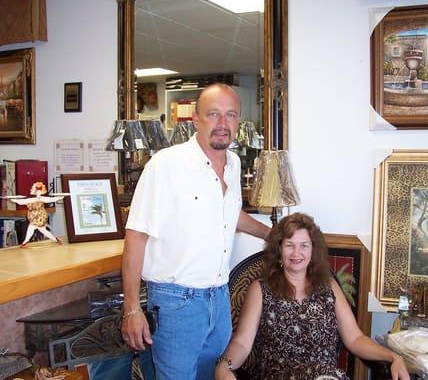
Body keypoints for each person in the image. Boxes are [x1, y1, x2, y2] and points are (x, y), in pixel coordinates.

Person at [121, 83, 270, 380]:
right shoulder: (166, 164)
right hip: (176, 304)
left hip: (219, 299)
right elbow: (136, 237)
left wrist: (273, 235)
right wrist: (132, 309)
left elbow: (229, 214)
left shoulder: (233, 163)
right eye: (213, 114)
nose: (223, 123)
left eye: (231, 115)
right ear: (195, 120)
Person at [214, 213, 410, 380]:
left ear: (313, 249)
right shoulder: (260, 289)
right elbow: (241, 343)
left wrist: (393, 357)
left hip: (326, 376)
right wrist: (225, 365)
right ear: (279, 249)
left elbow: (355, 338)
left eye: (304, 246)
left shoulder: (328, 286)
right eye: (289, 245)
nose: (296, 253)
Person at [11, 181, 66, 247]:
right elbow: (21, 202)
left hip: (39, 217)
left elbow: (52, 199)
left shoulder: (41, 199)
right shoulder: (31, 199)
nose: (38, 193)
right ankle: (56, 240)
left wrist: (60, 197)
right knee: (43, 230)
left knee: (31, 228)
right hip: (36, 218)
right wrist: (13, 199)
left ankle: (25, 242)